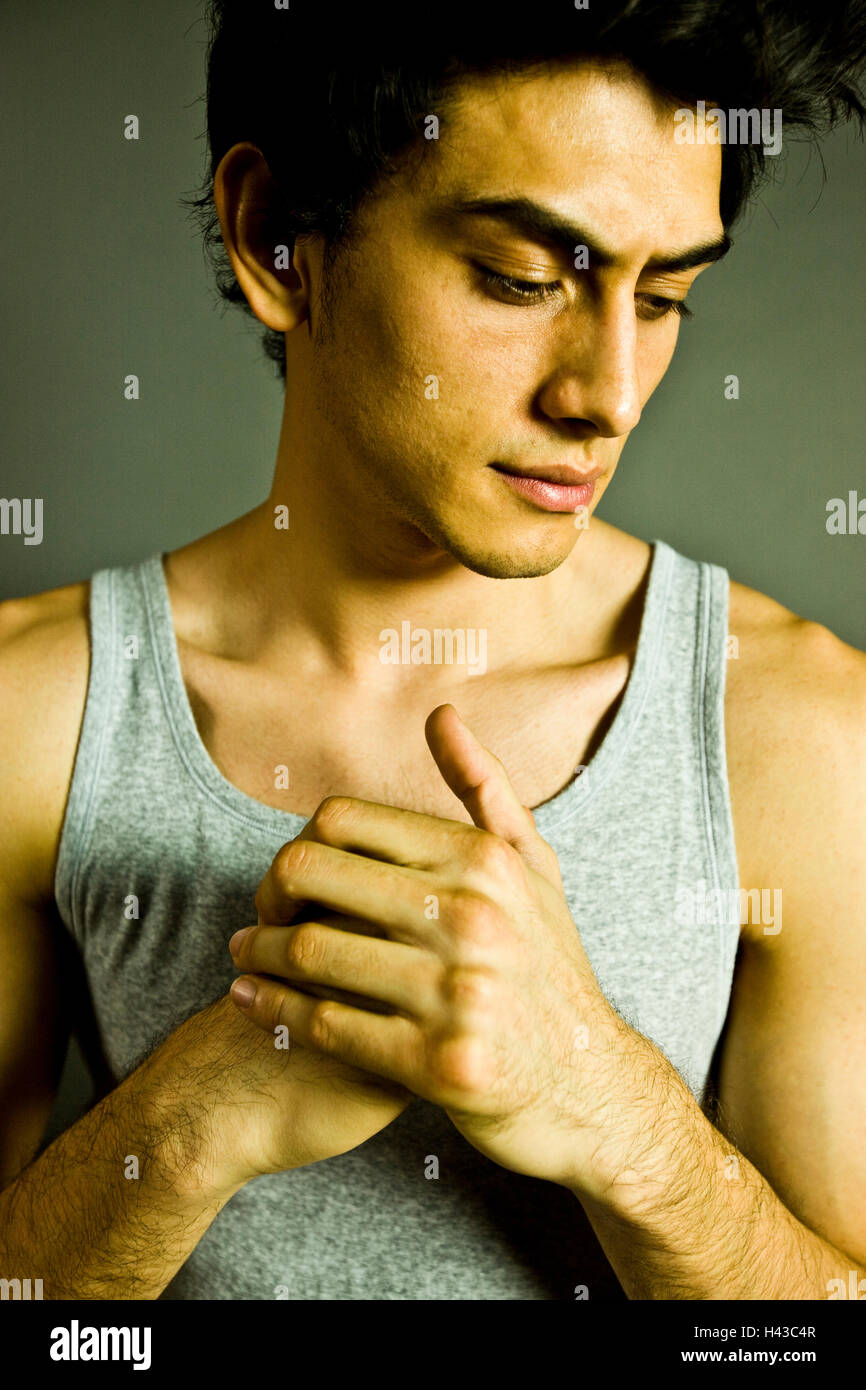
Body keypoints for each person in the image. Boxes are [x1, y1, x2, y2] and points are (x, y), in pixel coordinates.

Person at [1, 0, 864, 1300]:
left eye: (667, 293)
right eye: (523, 279)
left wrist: (612, 1104)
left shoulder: (795, 730)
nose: (607, 392)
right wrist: (190, 1124)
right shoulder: (37, 712)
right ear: (274, 239)